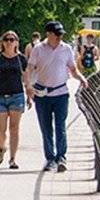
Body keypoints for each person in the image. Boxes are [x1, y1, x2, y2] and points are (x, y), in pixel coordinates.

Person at [24, 21, 88, 172]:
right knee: (46, 127)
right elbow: (29, 69)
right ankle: (50, 158)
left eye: (61, 35)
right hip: (42, 94)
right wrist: (28, 86)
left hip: (61, 93)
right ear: (49, 34)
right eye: (57, 34)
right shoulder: (38, 49)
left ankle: (61, 157)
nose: (59, 37)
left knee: (60, 126)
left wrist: (82, 79)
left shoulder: (66, 49)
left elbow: (73, 69)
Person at [0, 30, 27, 169]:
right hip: (0, 96)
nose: (9, 42)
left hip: (17, 95)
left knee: (14, 128)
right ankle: (2, 146)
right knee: (0, 130)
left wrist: (30, 95)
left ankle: (13, 159)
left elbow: (26, 78)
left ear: (16, 42)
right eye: (6, 39)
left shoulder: (21, 59)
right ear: (2, 42)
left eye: (12, 39)